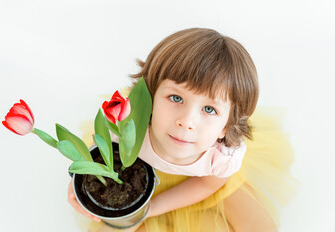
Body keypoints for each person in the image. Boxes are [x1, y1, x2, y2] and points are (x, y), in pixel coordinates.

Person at [68, 28, 297, 232]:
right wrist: (75, 182)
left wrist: (154, 207)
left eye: (209, 109)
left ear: (225, 127)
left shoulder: (221, 158)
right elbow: (96, 157)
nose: (187, 121)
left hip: (201, 180)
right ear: (150, 97)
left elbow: (206, 184)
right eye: (176, 97)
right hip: (137, 179)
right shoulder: (129, 127)